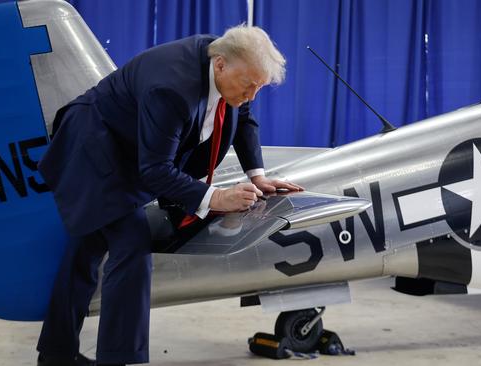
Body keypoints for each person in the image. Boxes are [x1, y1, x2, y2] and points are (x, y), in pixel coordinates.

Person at [35, 25, 303, 366]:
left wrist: (258, 176)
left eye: (259, 87)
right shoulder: (172, 89)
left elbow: (244, 116)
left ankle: (56, 356)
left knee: (84, 252)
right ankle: (117, 359)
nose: (251, 94)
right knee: (130, 245)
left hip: (128, 148)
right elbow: (156, 170)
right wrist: (215, 197)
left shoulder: (230, 66)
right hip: (95, 149)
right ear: (220, 65)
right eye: (249, 85)